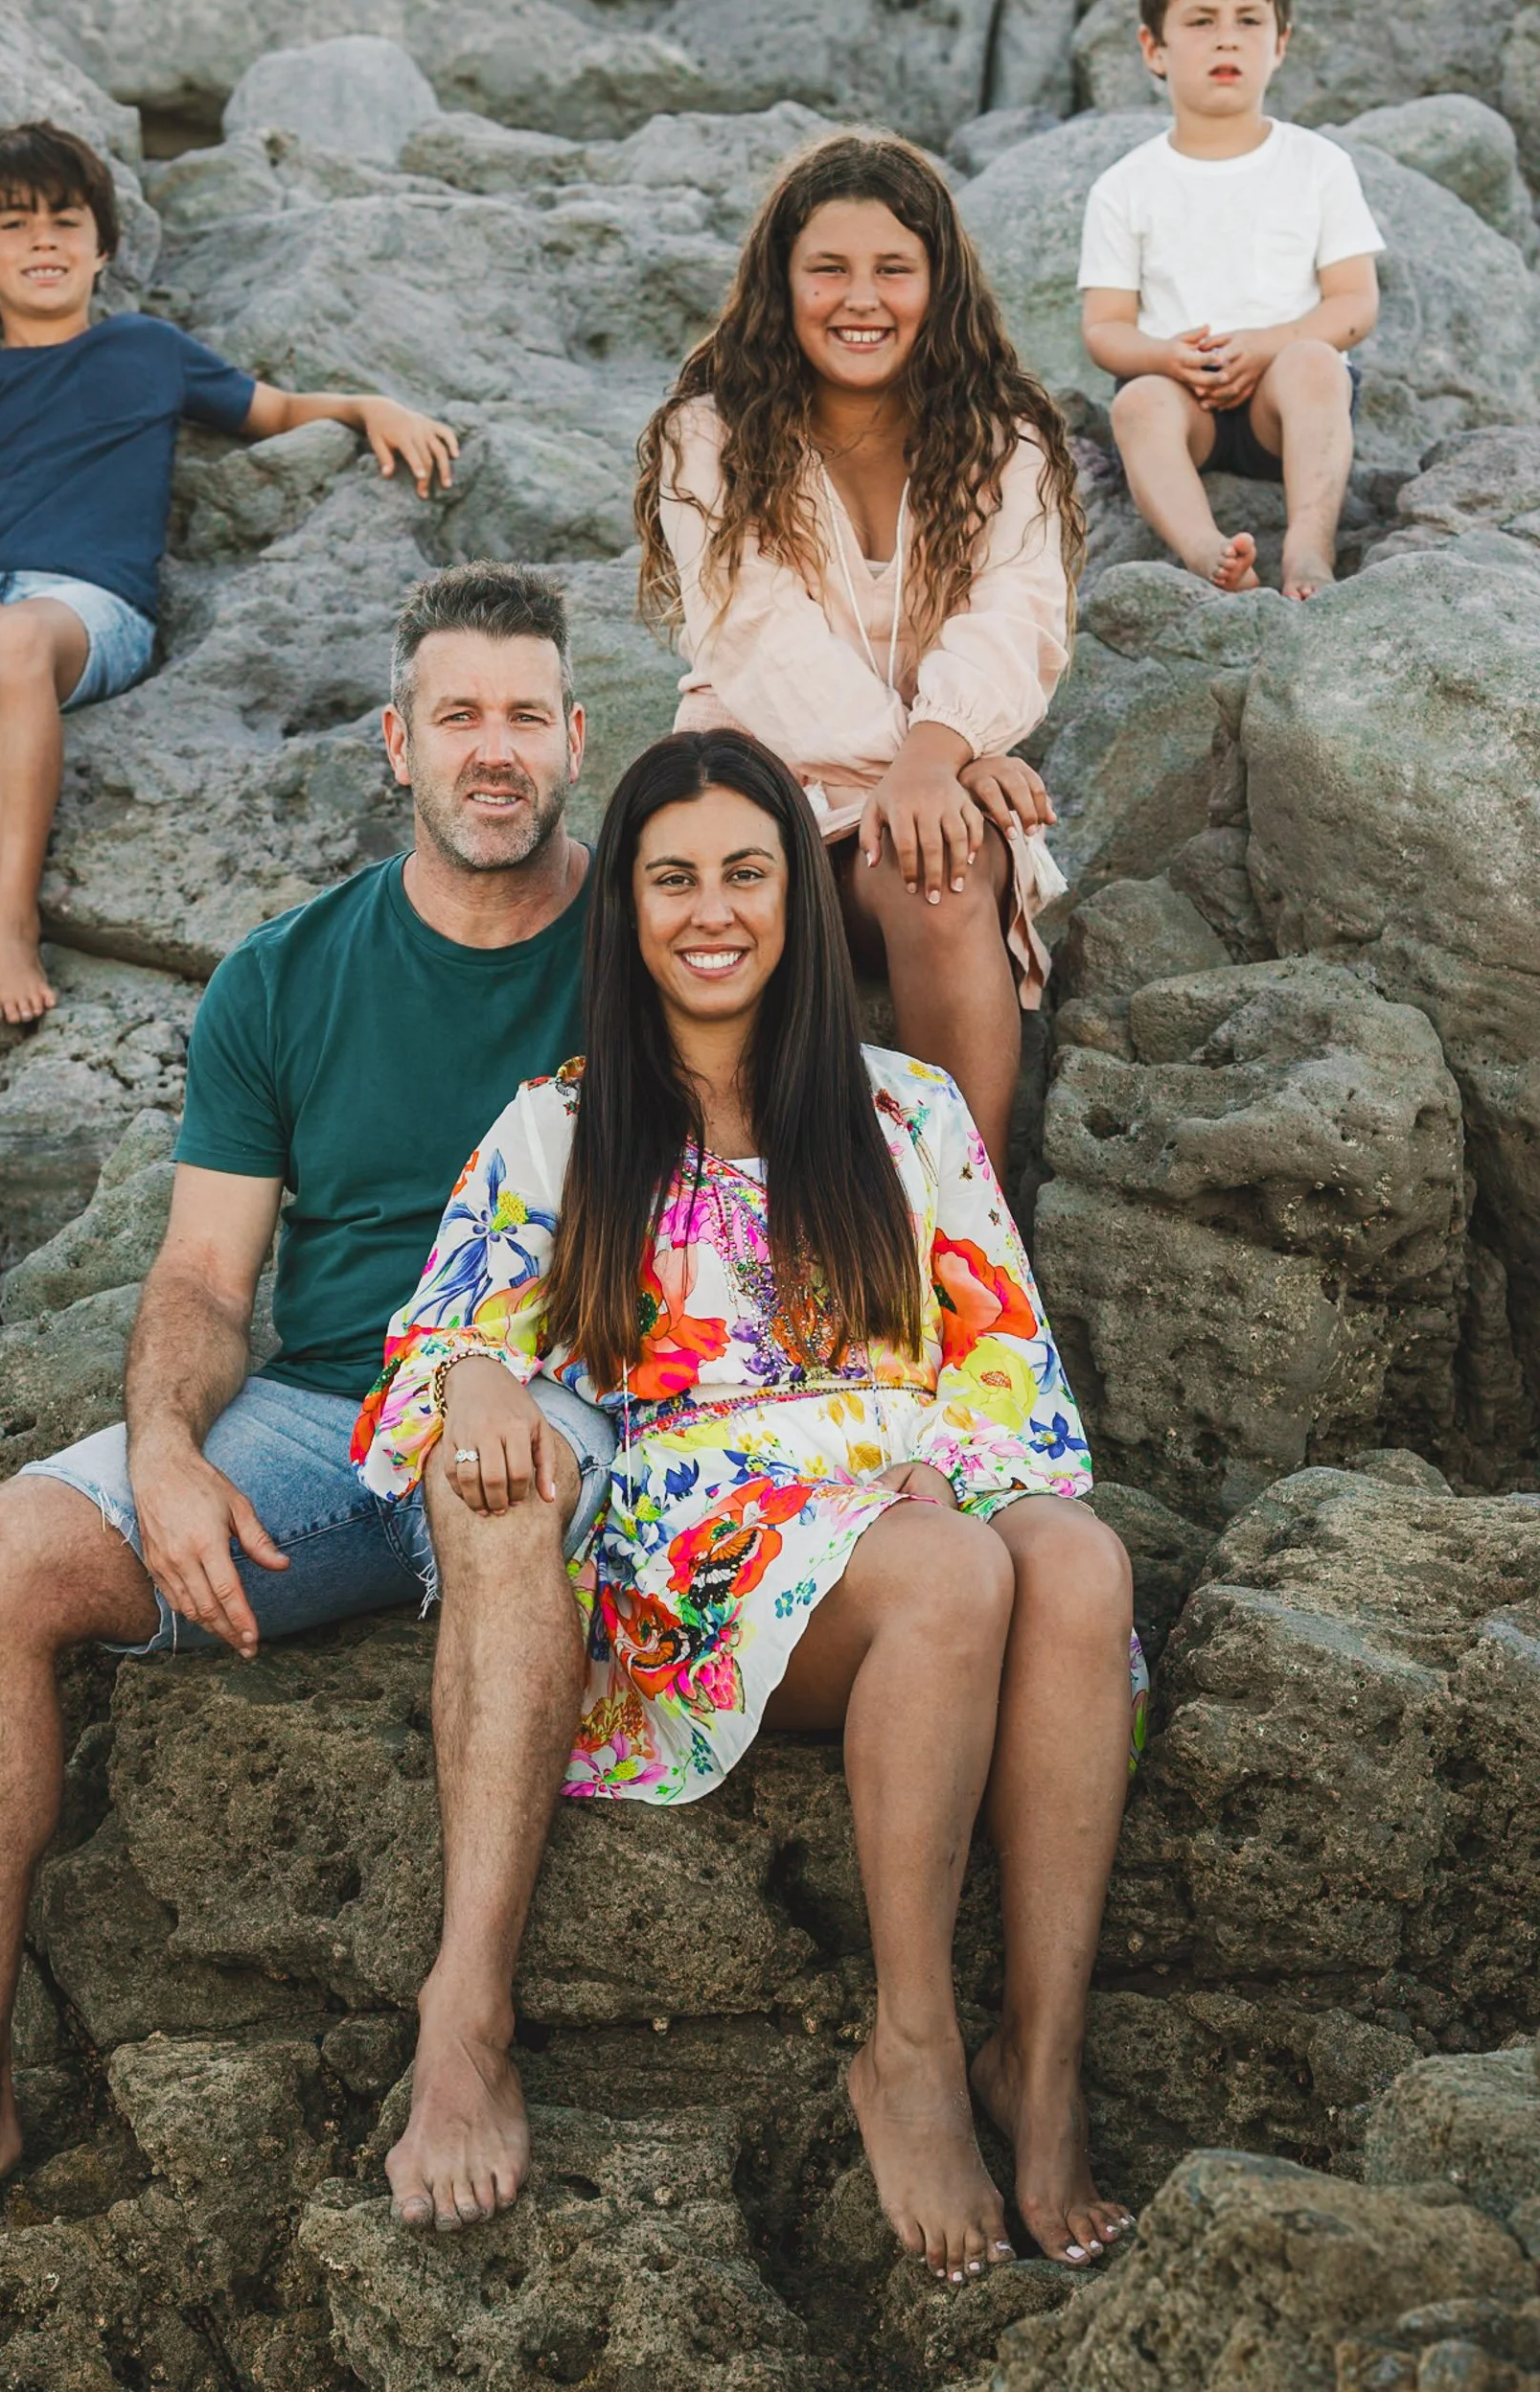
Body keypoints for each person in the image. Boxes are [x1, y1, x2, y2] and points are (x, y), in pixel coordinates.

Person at [0, 563, 617, 2268]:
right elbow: (208, 1280)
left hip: (561, 1406)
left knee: (497, 1483)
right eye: (459, 714)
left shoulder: (654, 943)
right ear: (398, 745)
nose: (495, 749)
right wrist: (160, 1449)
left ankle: (466, 2028)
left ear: (580, 738)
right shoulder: (286, 976)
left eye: (527, 713)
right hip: (322, 1421)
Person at [356, 730, 1145, 2278]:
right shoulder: (567, 1131)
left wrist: (950, 1473)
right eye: (671, 878)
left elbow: (1009, 1365)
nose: (711, 910)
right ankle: (909, 2045)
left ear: (795, 896)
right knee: (952, 1578)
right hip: (716, 1563)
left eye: (745, 872)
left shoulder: (906, 1115)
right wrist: (483, 1384)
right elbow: (426, 1346)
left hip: (913, 1495)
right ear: (627, 909)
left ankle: (1036, 2066)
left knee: (1083, 1560)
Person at [0, 118, 458, 1031]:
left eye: (66, 221)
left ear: (103, 246)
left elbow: (274, 409)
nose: (43, 240)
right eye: (13, 225)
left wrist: (370, 402)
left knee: (22, 638)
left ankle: (11, 919)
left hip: (83, 617)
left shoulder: (146, 349)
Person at [632, 130, 1084, 1177]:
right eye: (826, 269)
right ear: (780, 284)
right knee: (923, 831)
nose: (859, 299)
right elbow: (754, 638)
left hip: (916, 804)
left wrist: (937, 759)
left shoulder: (1001, 436)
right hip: (754, 785)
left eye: (892, 269)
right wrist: (944, 762)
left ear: (939, 284)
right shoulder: (706, 435)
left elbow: (1016, 609)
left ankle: (966, 1242)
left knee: (942, 867)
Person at [1078, 0, 1384, 601]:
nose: (1227, 38)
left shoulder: (1317, 165)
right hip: (1186, 398)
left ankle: (1308, 545)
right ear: (1153, 47)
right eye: (1202, 20)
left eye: (1249, 20)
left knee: (1316, 366)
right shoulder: (1125, 185)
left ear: (1281, 43)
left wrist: (1268, 344)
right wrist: (1164, 357)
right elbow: (1105, 329)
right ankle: (1206, 550)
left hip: (1284, 395)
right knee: (1138, 408)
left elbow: (1355, 304)